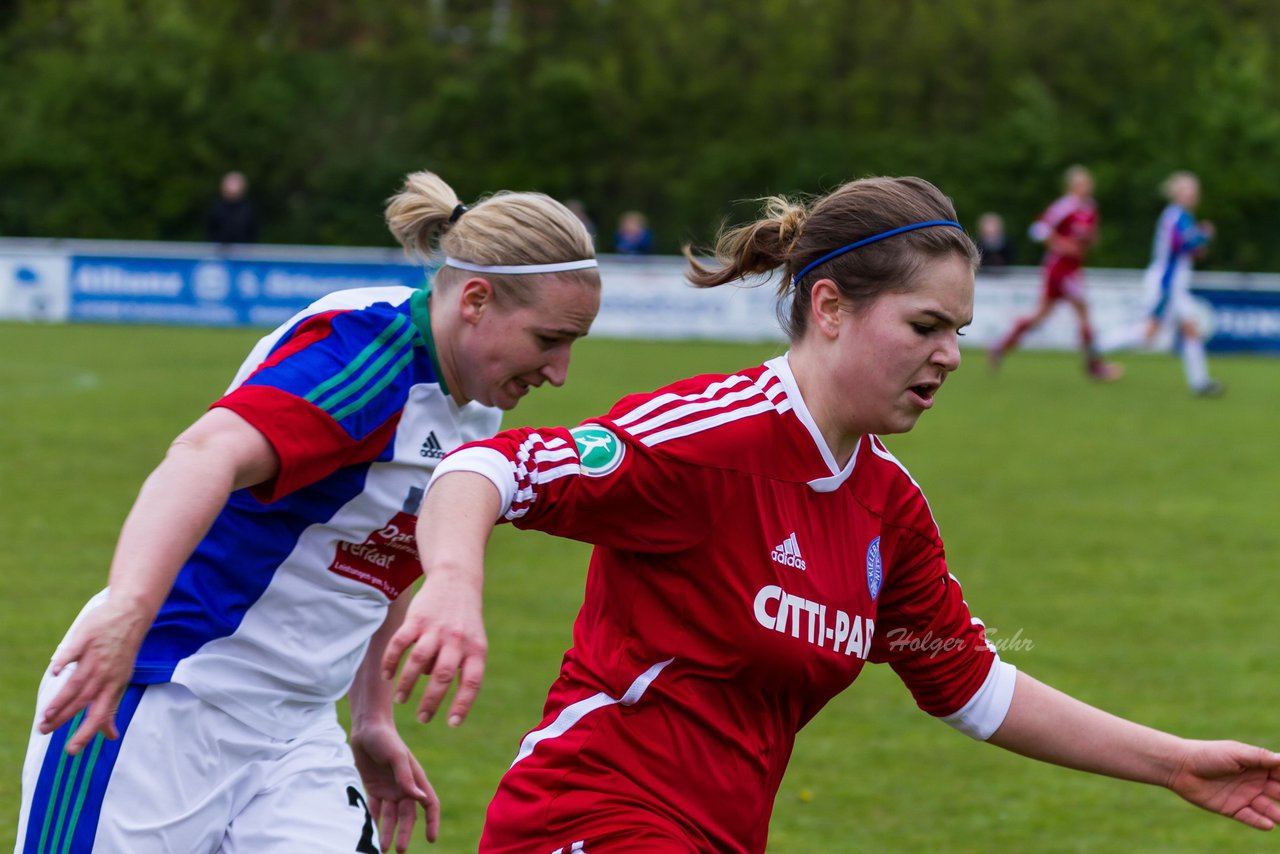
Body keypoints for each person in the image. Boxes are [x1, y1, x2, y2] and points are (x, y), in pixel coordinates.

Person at [383, 176, 1280, 853]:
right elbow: (484, 464)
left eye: (958, 332)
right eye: (926, 325)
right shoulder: (712, 441)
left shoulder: (888, 508)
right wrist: (455, 584)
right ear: (830, 307)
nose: (949, 356)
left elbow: (968, 684)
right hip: (592, 818)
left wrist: (1175, 763)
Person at [15, 170, 602, 853]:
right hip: (168, 698)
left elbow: (384, 549)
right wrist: (128, 609)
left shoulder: (475, 403)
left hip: (292, 734)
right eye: (548, 340)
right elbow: (205, 454)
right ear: (476, 299)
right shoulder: (367, 353)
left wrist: (372, 713)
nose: (559, 371)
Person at [988, 165, 1122, 380]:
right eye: (1083, 184)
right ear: (1073, 186)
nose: (1087, 188)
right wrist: (1061, 244)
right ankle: (1094, 366)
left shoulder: (1090, 209)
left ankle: (1001, 346)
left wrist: (1090, 240)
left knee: (1040, 316)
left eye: (1088, 184)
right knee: (1084, 312)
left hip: (1073, 269)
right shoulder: (1064, 206)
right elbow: (1038, 230)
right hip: (1060, 268)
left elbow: (1090, 237)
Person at [1138, 171, 1223, 396]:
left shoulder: (1183, 217)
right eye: (1187, 190)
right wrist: (1204, 235)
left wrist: (1198, 242)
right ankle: (1097, 349)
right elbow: (1183, 245)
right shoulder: (1175, 216)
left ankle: (1200, 383)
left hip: (1176, 286)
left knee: (1191, 329)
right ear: (1176, 193)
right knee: (1147, 335)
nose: (1192, 195)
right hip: (1166, 284)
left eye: (1194, 191)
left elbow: (1190, 249)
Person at [203, 170, 261, 244]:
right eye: (230, 184)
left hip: (244, 250)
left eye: (235, 184)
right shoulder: (215, 207)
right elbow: (209, 228)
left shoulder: (249, 208)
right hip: (218, 250)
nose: (232, 188)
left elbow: (254, 230)